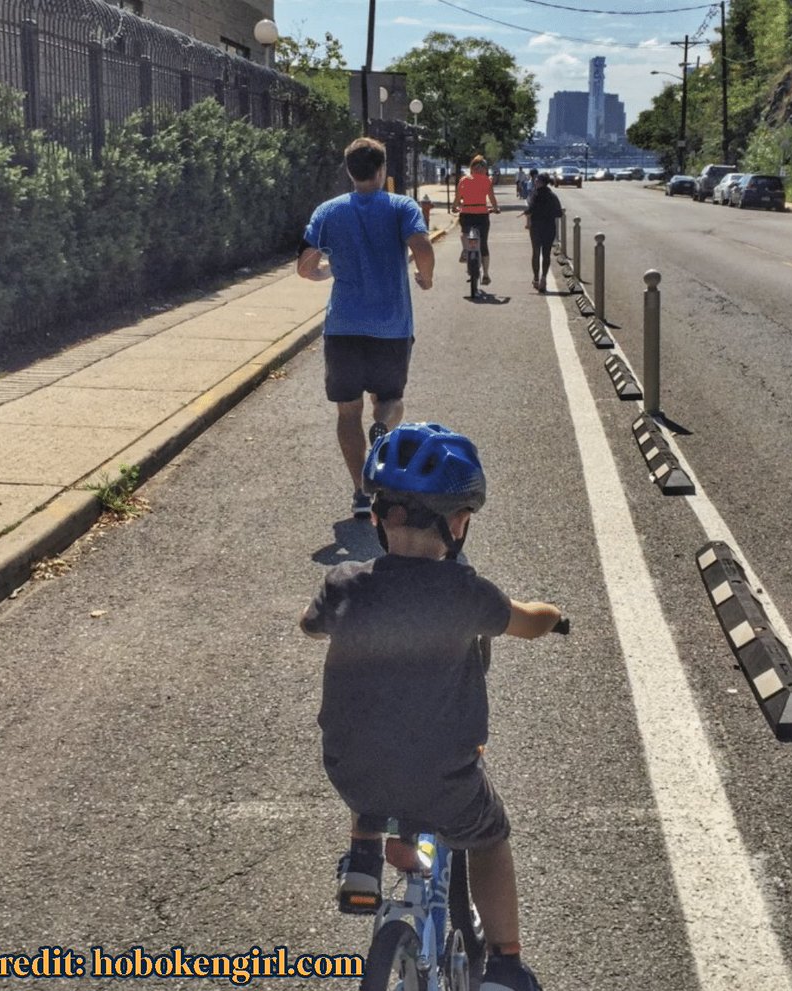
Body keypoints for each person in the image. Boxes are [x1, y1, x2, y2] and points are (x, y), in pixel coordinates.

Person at [300, 422, 564, 991]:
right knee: (488, 837)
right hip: (442, 780)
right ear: (459, 523)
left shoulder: (343, 583)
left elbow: (310, 626)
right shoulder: (467, 594)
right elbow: (529, 622)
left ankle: (364, 861)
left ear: (378, 516)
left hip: (350, 770)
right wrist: (555, 616)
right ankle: (507, 966)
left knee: (367, 737)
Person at [297, 137, 435, 521]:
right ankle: (382, 429)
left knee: (347, 411)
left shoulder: (328, 211)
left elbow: (305, 265)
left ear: (349, 170)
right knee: (390, 401)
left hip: (342, 327)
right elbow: (422, 248)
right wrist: (426, 278)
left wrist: (324, 272)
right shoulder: (402, 207)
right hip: (390, 327)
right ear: (382, 169)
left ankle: (361, 492)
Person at [453, 155, 501, 285]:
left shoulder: (463, 180)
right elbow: (492, 198)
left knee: (464, 232)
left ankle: (465, 249)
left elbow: (457, 198)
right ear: (484, 169)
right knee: (483, 244)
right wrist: (495, 208)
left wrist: (454, 207)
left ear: (471, 168)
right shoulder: (487, 181)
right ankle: (485, 274)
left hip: (466, 214)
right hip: (482, 215)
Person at [521, 173, 563, 292]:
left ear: (541, 182)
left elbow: (530, 209)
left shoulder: (535, 194)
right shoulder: (552, 196)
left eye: (537, 180)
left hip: (536, 227)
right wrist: (548, 213)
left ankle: (536, 279)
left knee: (536, 252)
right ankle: (543, 278)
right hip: (549, 227)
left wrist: (527, 214)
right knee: (546, 253)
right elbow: (559, 213)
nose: (535, 182)